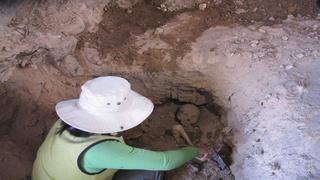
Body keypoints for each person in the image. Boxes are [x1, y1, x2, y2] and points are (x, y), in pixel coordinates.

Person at [32, 76, 208, 180]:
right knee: (153, 171)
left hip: (45, 175)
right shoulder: (101, 151)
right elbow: (166, 162)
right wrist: (194, 150)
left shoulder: (68, 122)